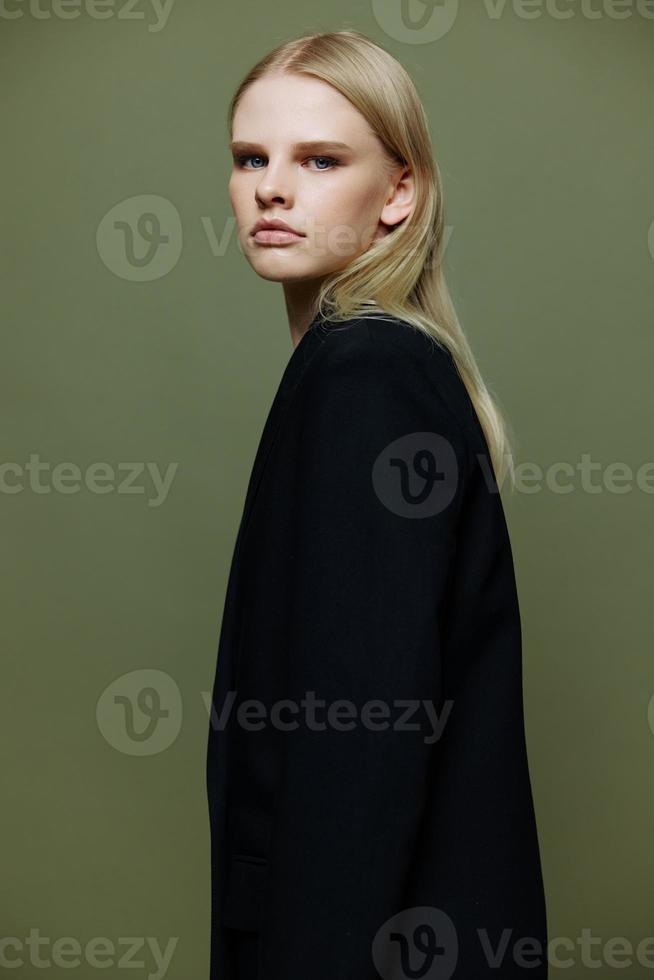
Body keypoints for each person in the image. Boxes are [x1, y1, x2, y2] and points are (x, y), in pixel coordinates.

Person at [206, 28, 548, 980]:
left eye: (321, 159)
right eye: (250, 158)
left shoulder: (366, 378)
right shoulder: (379, 366)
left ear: (400, 191)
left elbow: (359, 749)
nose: (272, 187)